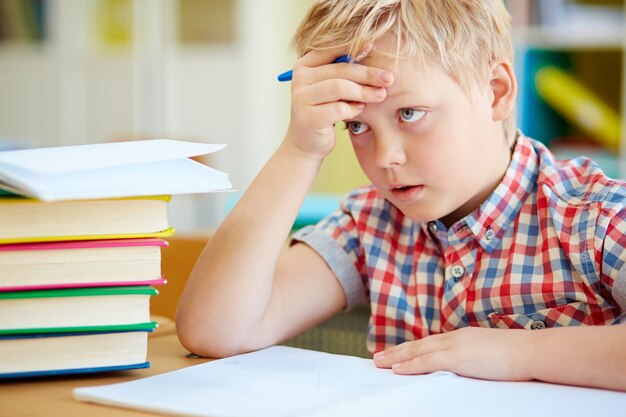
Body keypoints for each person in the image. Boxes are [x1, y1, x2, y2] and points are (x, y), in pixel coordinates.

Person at [176, 0, 626, 391]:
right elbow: (216, 331)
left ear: (496, 92)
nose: (386, 157)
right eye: (357, 126)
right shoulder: (370, 223)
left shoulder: (593, 218)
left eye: (410, 113)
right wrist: (300, 148)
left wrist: (518, 354)